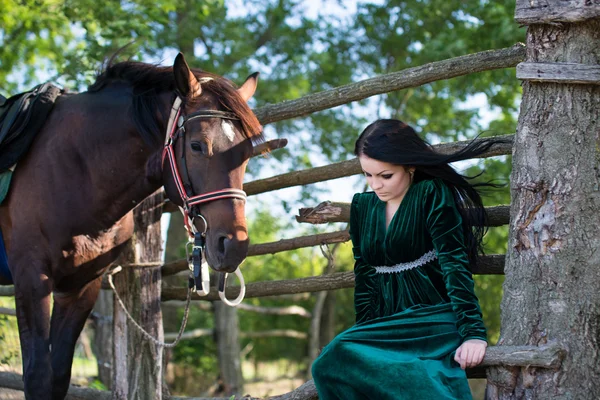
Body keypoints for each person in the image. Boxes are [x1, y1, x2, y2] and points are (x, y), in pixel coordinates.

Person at [312, 119, 505, 400]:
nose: (376, 185)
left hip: (433, 316)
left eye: (385, 175)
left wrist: (473, 332)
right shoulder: (362, 206)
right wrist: (365, 332)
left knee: (408, 375)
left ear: (410, 165)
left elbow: (454, 264)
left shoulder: (431, 194)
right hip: (386, 321)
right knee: (331, 361)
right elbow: (365, 276)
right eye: (368, 174)